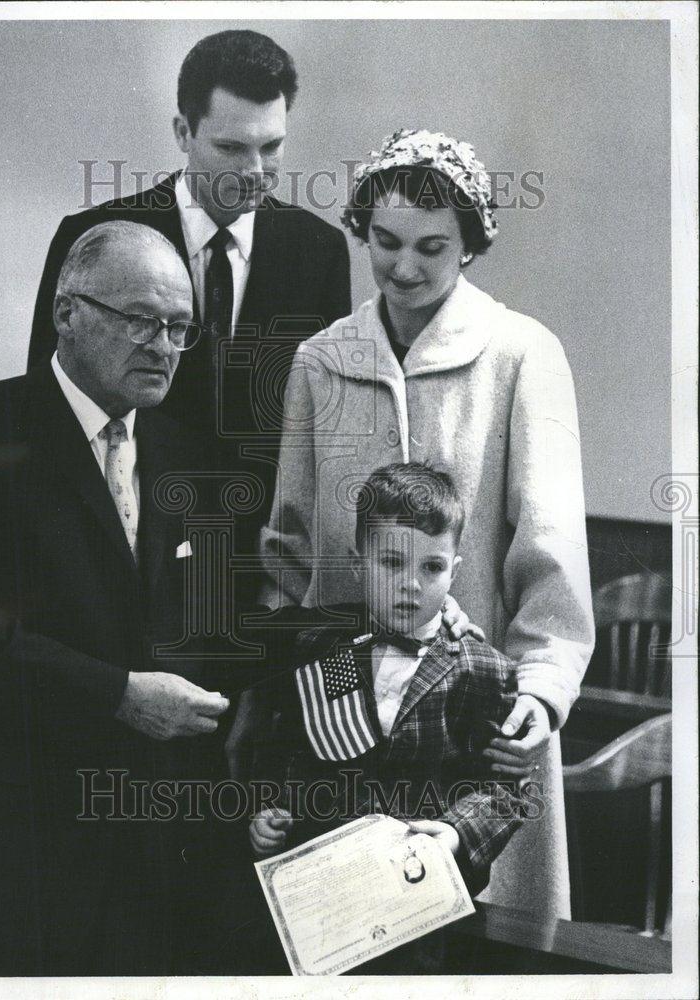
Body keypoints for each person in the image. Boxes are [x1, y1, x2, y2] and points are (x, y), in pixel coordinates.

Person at [260, 129, 595, 918]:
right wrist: (285, 704)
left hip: (482, 726)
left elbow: (550, 549)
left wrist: (540, 697)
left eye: (431, 247)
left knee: (475, 941)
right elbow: (289, 547)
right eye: (384, 242)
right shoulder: (320, 361)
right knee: (341, 934)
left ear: (471, 246)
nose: (403, 268)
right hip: (337, 729)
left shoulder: (521, 354)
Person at [0, 221, 232, 975]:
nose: (163, 345)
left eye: (180, 328)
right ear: (68, 314)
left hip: (153, 864)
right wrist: (116, 694)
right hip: (13, 852)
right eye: (141, 321)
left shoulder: (190, 455)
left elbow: (219, 637)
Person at [26, 29, 352, 612]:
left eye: (272, 147)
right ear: (183, 132)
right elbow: (46, 411)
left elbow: (321, 428)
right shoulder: (92, 235)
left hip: (262, 572)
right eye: (231, 148)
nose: (255, 171)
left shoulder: (319, 250)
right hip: (120, 561)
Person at [244, 464, 527, 974]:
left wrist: (456, 833)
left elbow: (507, 789)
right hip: (322, 890)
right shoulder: (320, 648)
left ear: (455, 570)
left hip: (420, 896)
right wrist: (270, 810)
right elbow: (288, 747)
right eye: (391, 563)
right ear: (358, 563)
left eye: (432, 568)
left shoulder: (482, 670)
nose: (410, 586)